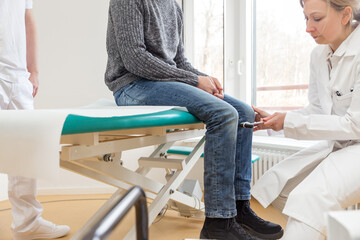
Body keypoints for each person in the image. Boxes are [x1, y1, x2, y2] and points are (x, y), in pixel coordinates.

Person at [105, 0, 284, 239]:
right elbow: (135, 59)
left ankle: (239, 208)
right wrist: (194, 81)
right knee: (223, 113)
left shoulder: (172, 5)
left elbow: (179, 61)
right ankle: (218, 223)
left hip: (164, 82)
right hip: (131, 85)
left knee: (243, 112)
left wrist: (205, 78)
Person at [251, 0, 360, 239]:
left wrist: (289, 122)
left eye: (317, 19)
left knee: (308, 196)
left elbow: (355, 124)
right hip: (340, 143)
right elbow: (318, 109)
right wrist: (278, 120)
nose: (308, 28)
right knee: (278, 185)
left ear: (345, 15)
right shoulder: (319, 54)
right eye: (306, 19)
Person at [0, 0, 70, 239]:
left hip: (18, 77)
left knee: (25, 153)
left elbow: (28, 20)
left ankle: (27, 224)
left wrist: (34, 71)